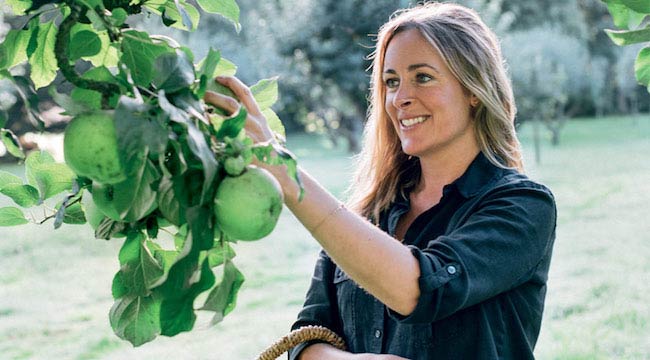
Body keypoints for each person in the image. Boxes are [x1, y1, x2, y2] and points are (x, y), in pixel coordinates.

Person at [204, 2, 557, 359]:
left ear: (474, 90)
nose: (400, 98)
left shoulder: (523, 207)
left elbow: (418, 289)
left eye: (422, 77)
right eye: (391, 82)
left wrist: (282, 169)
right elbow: (305, 340)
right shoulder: (367, 215)